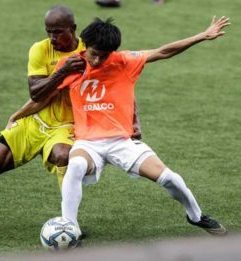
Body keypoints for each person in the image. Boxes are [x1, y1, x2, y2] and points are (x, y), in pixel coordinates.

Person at [52, 17, 229, 236]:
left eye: (104, 55)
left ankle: (197, 217)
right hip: (87, 143)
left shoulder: (124, 61)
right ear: (85, 46)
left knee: (169, 178)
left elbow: (163, 52)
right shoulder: (70, 66)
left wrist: (202, 35)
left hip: (121, 142)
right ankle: (70, 229)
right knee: (76, 164)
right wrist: (19, 115)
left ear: (113, 52)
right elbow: (41, 95)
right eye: (93, 53)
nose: (97, 60)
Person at [0, 5, 86, 234]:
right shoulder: (39, 49)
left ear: (73, 29)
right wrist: (62, 71)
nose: (52, 38)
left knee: (63, 156)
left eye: (58, 32)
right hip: (35, 121)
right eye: (48, 31)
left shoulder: (87, 52)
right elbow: (36, 93)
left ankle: (69, 224)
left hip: (66, 126)